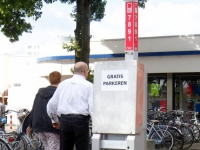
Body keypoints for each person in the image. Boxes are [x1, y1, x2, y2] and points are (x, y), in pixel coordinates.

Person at [47, 61, 93, 150]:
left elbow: (51, 104)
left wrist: (54, 120)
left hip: (64, 121)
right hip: (81, 121)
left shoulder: (62, 85)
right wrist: (96, 126)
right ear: (85, 71)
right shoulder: (89, 86)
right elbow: (92, 108)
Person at [27, 71, 61, 150]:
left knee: (47, 147)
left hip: (39, 126)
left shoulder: (39, 93)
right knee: (55, 147)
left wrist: (30, 125)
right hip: (52, 126)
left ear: (50, 80)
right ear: (60, 80)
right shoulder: (58, 93)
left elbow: (34, 110)